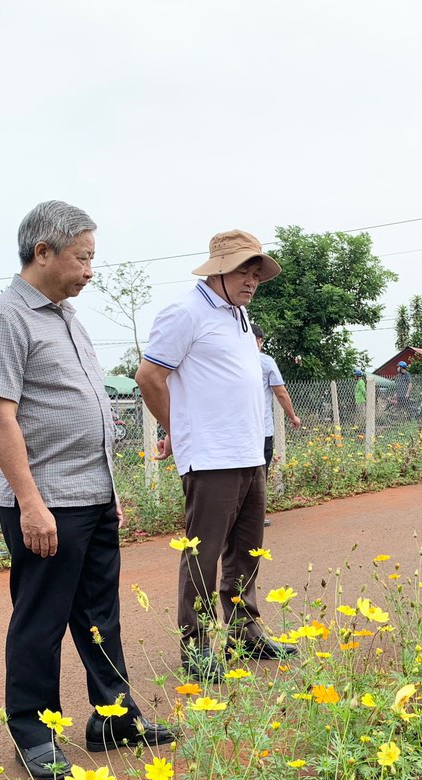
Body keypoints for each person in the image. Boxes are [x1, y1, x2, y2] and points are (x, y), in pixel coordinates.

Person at [0, 201, 173, 780]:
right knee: (41, 618)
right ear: (43, 252)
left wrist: (107, 490)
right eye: (82, 258)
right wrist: (30, 502)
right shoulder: (5, 317)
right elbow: (1, 418)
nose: (90, 270)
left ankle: (114, 718)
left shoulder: (65, 316)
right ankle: (34, 731)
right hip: (47, 501)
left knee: (98, 615)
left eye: (92, 258)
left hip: (90, 495)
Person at [137, 230, 295, 681]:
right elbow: (149, 376)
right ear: (219, 269)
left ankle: (245, 632)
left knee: (248, 549)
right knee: (202, 553)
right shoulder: (186, 312)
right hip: (209, 457)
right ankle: (198, 644)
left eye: (256, 272)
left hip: (247, 451)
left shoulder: (239, 316)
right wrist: (178, 431)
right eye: (244, 270)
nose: (252, 280)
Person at [251, 322, 301, 526]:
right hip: (261, 430)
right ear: (260, 341)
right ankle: (256, 517)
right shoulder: (265, 362)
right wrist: (293, 416)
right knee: (260, 473)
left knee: (236, 475)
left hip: (236, 431)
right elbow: (280, 392)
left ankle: (235, 517)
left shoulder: (227, 361)